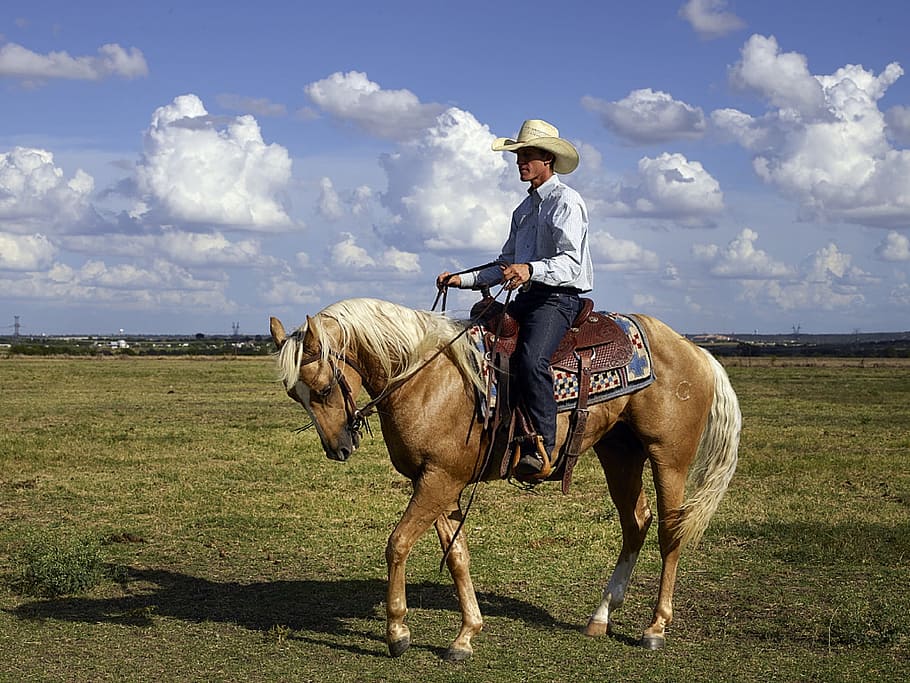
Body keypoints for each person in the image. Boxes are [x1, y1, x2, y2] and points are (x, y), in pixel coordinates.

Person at [436, 119, 593, 477]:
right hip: (528, 295)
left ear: (548, 160)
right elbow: (505, 264)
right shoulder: (523, 211)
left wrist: (530, 270)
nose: (520, 161)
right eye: (518, 155)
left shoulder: (567, 203)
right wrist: (461, 279)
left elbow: (571, 263)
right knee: (477, 343)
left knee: (531, 359)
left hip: (558, 299)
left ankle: (543, 446)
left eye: (528, 155)